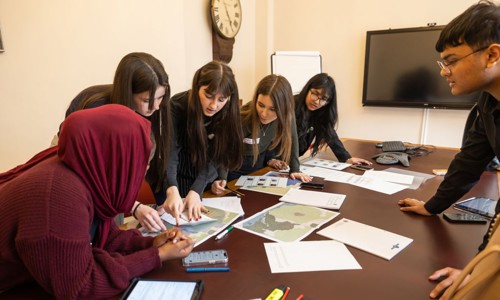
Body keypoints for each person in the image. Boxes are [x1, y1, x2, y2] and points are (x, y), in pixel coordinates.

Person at [0, 105, 194, 299]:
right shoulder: (60, 197)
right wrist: (157, 256)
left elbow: (101, 236)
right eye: (143, 163)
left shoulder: (84, 171)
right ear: (119, 159)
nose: (144, 172)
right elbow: (80, 286)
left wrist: (151, 243)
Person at [394, 1, 500, 297]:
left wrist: (477, 273)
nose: (444, 71)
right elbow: (469, 161)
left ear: (492, 54)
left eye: (451, 60)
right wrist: (432, 206)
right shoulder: (488, 102)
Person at [59, 52, 171, 232]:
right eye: (147, 100)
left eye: (161, 97)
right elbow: (96, 179)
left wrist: (168, 193)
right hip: (77, 176)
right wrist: (134, 206)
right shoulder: (96, 109)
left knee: (114, 229)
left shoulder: (151, 111)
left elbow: (151, 163)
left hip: (108, 185)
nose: (156, 107)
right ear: (128, 93)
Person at [165, 61, 244, 225]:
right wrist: (172, 188)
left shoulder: (228, 110)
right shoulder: (177, 106)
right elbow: (171, 152)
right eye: (208, 96)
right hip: (174, 175)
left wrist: (196, 189)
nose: (214, 105)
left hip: (203, 176)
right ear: (196, 88)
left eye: (221, 99)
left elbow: (218, 154)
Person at [219, 74, 313, 184]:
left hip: (258, 168)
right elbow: (225, 151)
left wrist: (295, 169)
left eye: (273, 109)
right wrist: (222, 178)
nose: (264, 113)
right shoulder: (242, 117)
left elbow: (292, 138)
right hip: (234, 169)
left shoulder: (287, 113)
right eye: (260, 105)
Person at [295, 73, 372, 165]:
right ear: (307, 89)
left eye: (323, 99)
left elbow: (330, 134)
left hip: (290, 162)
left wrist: (346, 158)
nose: (317, 102)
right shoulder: (290, 105)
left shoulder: (320, 111)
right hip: (277, 159)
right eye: (315, 94)